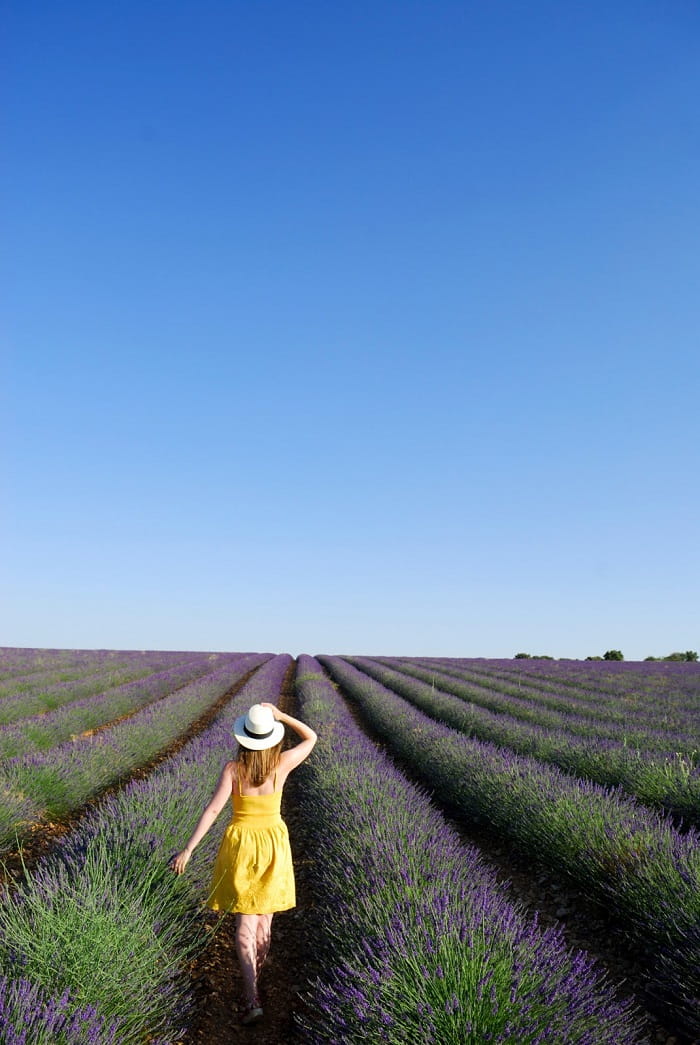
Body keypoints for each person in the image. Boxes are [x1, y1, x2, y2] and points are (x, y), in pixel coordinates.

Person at [170, 700, 317, 1025]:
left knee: (246, 926)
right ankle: (254, 984)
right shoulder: (281, 764)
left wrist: (189, 849)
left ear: (245, 738)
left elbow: (212, 810)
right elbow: (311, 737)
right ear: (272, 737)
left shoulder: (234, 770)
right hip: (273, 846)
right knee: (263, 922)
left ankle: (251, 996)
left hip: (242, 849)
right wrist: (282, 715)